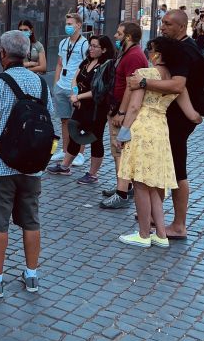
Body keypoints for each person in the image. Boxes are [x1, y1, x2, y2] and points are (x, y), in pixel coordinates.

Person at [0, 30, 53, 298]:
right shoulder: (40, 83)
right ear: (27, 53)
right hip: (32, 165)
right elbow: (50, 124)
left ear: (2, 53)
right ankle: (31, 275)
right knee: (31, 220)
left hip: (1, 165)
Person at [116, 36, 203, 247]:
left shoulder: (144, 75)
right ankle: (161, 234)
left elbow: (135, 107)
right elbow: (193, 116)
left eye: (151, 50)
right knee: (153, 183)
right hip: (161, 130)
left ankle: (144, 234)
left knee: (139, 183)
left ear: (158, 54)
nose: (148, 53)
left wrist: (123, 132)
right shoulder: (175, 83)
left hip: (142, 128)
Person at [46, 35, 116, 184]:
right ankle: (65, 166)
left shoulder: (107, 65)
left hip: (96, 108)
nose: (91, 48)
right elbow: (75, 79)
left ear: (103, 49)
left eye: (95, 46)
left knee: (95, 139)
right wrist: (75, 94)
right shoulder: (87, 62)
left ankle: (92, 174)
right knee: (75, 134)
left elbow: (99, 90)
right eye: (90, 45)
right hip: (80, 105)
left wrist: (79, 97)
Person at [100, 22, 148, 210]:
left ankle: (122, 193)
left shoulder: (134, 56)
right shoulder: (128, 53)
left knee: (120, 151)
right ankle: (124, 186)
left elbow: (131, 86)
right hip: (116, 107)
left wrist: (121, 111)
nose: (115, 36)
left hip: (121, 110)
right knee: (117, 151)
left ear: (128, 37)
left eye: (119, 34)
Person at [48, 13, 89, 167]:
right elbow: (59, 63)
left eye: (71, 24)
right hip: (61, 86)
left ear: (79, 25)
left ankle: (80, 153)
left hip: (76, 89)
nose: (68, 26)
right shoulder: (63, 43)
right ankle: (65, 150)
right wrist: (56, 83)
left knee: (78, 121)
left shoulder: (85, 44)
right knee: (64, 120)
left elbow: (87, 66)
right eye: (67, 23)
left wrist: (81, 88)